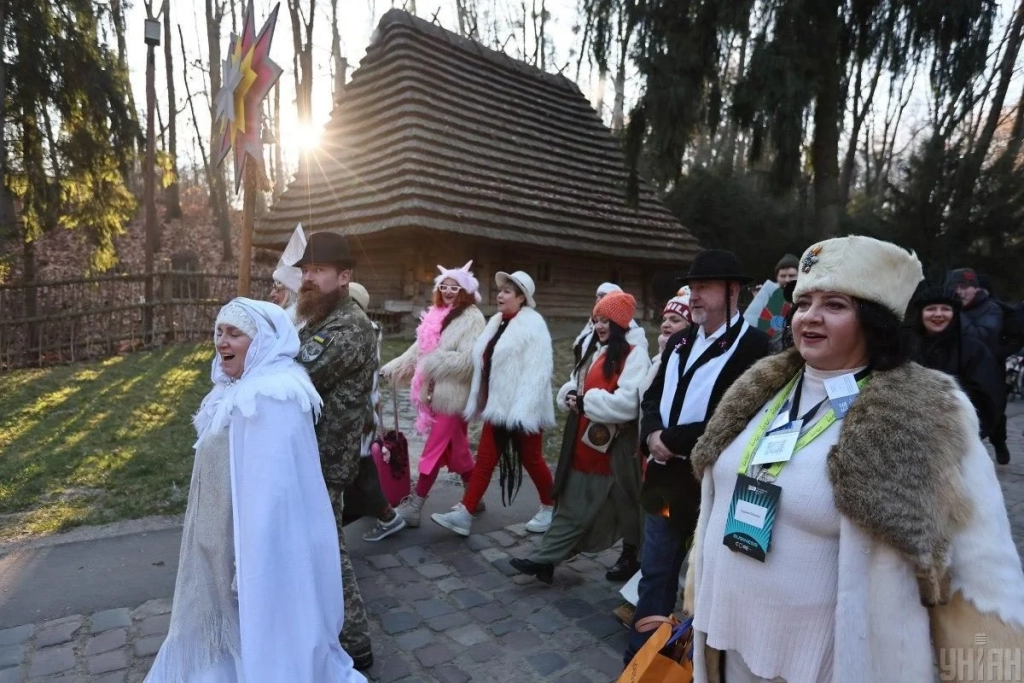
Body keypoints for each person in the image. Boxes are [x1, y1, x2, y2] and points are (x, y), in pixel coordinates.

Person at [684, 236, 1024, 683]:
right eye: (804, 302)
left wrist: (990, 665)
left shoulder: (929, 413)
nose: (810, 316)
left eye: (835, 304)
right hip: (730, 643)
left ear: (875, 320)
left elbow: (980, 566)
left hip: (834, 661)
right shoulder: (761, 387)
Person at [145, 299, 366, 683]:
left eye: (234, 333)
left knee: (267, 625)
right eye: (219, 332)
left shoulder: (270, 397)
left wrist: (246, 561)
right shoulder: (235, 390)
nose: (221, 341)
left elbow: (272, 497)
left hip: (257, 545)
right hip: (224, 532)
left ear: (262, 340)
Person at [626, 249, 771, 665]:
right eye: (692, 287)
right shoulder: (680, 339)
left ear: (732, 291)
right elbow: (651, 394)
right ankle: (641, 661)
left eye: (704, 287)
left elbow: (738, 414)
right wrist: (651, 433)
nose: (694, 296)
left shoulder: (754, 346)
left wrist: (673, 439)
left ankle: (700, 664)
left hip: (711, 484)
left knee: (707, 581)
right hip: (663, 479)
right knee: (654, 572)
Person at [294, 232, 402, 671]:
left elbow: (301, 369)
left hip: (327, 459)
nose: (308, 278)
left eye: (317, 270)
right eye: (305, 270)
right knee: (320, 546)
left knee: (329, 552)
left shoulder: (348, 326)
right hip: (313, 454)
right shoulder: (323, 314)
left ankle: (356, 643)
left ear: (344, 276)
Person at [510, 292, 650, 584]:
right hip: (585, 445)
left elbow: (630, 403)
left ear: (620, 322)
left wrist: (588, 402)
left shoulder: (635, 355)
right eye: (596, 320)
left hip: (616, 449)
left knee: (626, 506)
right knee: (573, 501)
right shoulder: (596, 351)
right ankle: (546, 558)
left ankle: (633, 557)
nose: (599, 326)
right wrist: (571, 396)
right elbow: (575, 383)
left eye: (606, 320)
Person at [431, 270, 556, 537]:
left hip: (524, 409)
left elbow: (539, 372)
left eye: (507, 292)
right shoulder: (497, 322)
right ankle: (465, 513)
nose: (500, 295)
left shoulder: (533, 326)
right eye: (500, 291)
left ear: (522, 298)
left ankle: (551, 506)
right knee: (486, 459)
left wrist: (522, 413)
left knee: (532, 459)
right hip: (498, 406)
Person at [381, 262, 487, 526]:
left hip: (454, 397)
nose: (449, 291)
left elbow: (469, 360)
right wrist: (393, 367)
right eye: (444, 286)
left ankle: (416, 505)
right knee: (459, 449)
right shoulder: (437, 313)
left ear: (465, 290)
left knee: (434, 449)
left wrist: (432, 362)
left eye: (455, 287)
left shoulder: (472, 317)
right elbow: (419, 349)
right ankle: (476, 496)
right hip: (435, 395)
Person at [911, 286, 1005, 451]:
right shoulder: (905, 346)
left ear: (954, 314)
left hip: (956, 439)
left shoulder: (973, 350)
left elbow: (988, 396)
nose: (938, 314)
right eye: (931, 308)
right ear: (920, 313)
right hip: (910, 436)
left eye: (945, 309)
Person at [947, 267, 1011, 464]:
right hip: (958, 369)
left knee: (994, 413)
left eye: (966, 287)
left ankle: (999, 442)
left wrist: (957, 314)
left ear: (976, 288)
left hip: (988, 371)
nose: (961, 292)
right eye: (956, 287)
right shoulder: (946, 307)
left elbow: (982, 336)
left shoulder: (990, 309)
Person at [573, 282, 647, 366]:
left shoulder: (634, 345)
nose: (598, 300)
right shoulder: (594, 325)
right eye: (597, 297)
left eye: (602, 296)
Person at [641, 289, 691, 395]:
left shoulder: (687, 361)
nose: (665, 325)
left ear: (690, 326)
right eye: (664, 319)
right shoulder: (659, 359)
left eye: (675, 320)